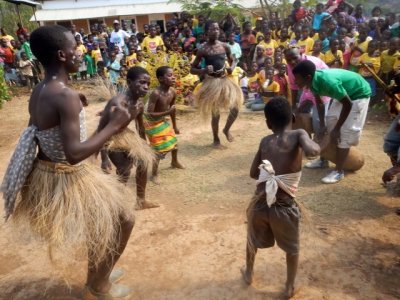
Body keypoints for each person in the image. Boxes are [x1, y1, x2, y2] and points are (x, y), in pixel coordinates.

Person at [1, 25, 135, 299]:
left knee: (105, 222)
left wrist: (74, 106)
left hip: (49, 170)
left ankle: (100, 273)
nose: (80, 53)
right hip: (68, 174)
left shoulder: (42, 90)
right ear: (62, 55)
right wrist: (114, 125)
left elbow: (39, 125)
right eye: (76, 48)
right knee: (125, 219)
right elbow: (74, 153)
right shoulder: (64, 96)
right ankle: (98, 285)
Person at [241, 96, 320, 298]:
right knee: (292, 249)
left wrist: (270, 173)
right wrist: (314, 146)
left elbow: (252, 173)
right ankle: (289, 286)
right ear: (293, 117)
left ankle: (249, 273)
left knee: (251, 240)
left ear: (268, 124)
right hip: (283, 208)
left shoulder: (265, 141)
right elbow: (312, 150)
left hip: (259, 205)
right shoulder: (299, 134)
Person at [293, 60, 371, 183]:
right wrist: (323, 125)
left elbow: (348, 104)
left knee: (344, 133)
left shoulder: (328, 82)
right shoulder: (312, 81)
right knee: (329, 123)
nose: (295, 81)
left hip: (358, 94)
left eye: (297, 78)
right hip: (344, 95)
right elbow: (319, 103)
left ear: (307, 77)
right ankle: (323, 160)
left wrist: (337, 129)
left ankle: (339, 171)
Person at [98, 66, 158, 210]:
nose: (145, 87)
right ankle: (116, 205)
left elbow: (140, 126)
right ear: (129, 82)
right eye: (142, 82)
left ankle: (140, 201)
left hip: (127, 136)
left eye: (148, 84)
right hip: (111, 139)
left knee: (144, 161)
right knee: (124, 170)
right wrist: (104, 158)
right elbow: (102, 130)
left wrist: (144, 144)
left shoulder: (139, 105)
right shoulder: (118, 103)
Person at [190, 21, 243, 147]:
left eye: (217, 29)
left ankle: (226, 129)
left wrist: (231, 67)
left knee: (235, 108)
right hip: (211, 83)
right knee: (215, 114)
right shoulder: (203, 49)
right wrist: (203, 70)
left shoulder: (225, 46)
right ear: (207, 32)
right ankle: (216, 139)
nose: (216, 31)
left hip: (224, 80)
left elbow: (233, 60)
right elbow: (192, 69)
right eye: (213, 29)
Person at [143, 66, 184, 182]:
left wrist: (175, 126)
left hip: (162, 120)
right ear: (161, 79)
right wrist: (167, 112)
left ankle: (174, 162)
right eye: (170, 75)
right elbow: (149, 114)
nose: (173, 77)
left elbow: (173, 109)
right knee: (159, 149)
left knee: (174, 143)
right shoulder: (155, 93)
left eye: (173, 75)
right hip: (151, 123)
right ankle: (154, 174)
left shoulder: (172, 92)